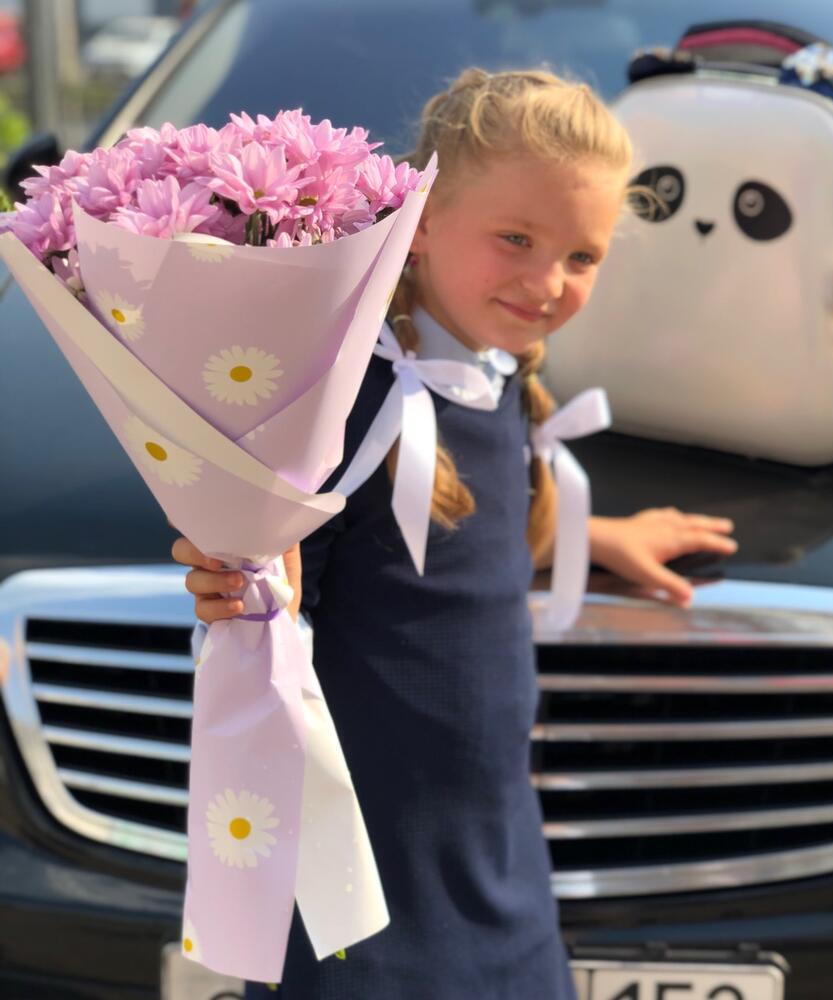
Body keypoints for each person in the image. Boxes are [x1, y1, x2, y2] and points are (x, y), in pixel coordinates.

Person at [173, 67, 738, 999]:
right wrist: (237, 572)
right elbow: (271, 586)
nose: (547, 282)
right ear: (423, 220)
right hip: (373, 871)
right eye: (516, 238)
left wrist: (596, 536)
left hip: (495, 849)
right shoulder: (345, 404)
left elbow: (467, 545)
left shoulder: (498, 380)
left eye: (582, 256)